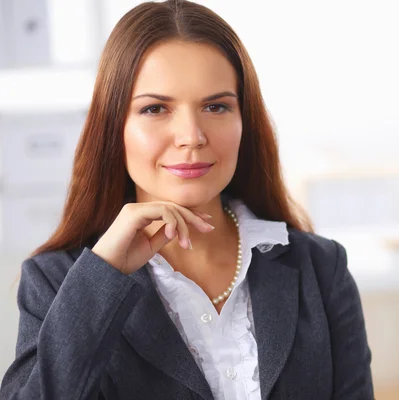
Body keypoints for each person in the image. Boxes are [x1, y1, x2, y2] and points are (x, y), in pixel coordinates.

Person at [0, 1, 373, 399]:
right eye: (155, 108)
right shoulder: (56, 281)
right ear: (114, 127)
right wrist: (103, 276)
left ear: (244, 119)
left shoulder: (320, 267)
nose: (191, 135)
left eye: (216, 106)